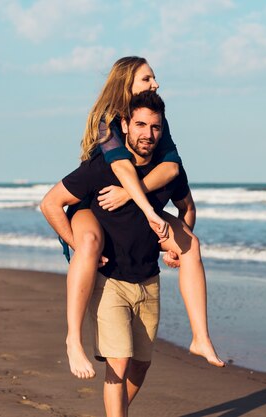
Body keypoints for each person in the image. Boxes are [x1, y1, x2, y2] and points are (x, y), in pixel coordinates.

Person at [57, 56, 223, 380]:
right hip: (96, 204)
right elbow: (119, 167)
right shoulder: (108, 122)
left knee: (192, 245)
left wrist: (169, 237)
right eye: (147, 79)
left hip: (132, 202)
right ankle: (73, 340)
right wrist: (144, 206)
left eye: (154, 78)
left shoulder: (157, 118)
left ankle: (200, 337)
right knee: (89, 242)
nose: (155, 84)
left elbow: (172, 167)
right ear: (126, 84)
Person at [42, 91, 193, 416]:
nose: (147, 134)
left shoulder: (169, 170)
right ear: (124, 124)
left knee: (141, 366)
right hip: (110, 281)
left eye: (154, 127)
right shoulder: (103, 168)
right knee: (119, 364)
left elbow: (187, 207)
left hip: (148, 280)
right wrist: (79, 245)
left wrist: (177, 251)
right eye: (140, 124)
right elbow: (50, 204)